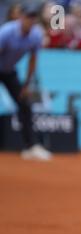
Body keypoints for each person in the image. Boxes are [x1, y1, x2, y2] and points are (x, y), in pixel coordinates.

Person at [0, 4, 52, 161]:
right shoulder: (6, 32)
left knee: (25, 105)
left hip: (9, 72)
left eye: (33, 17)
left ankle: (31, 147)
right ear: (21, 17)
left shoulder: (36, 36)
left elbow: (32, 60)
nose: (31, 20)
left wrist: (26, 85)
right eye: (28, 16)